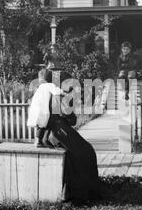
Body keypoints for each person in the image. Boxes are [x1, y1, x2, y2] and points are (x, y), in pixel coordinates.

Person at [41, 71, 100, 202]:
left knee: (82, 151)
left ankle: (79, 191)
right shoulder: (59, 97)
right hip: (59, 132)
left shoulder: (51, 95)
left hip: (55, 133)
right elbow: (72, 120)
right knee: (85, 152)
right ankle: (80, 193)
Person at [27, 68, 66, 148]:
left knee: (40, 125)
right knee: (45, 124)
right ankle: (42, 140)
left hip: (36, 108)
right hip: (43, 109)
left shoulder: (40, 87)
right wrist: (64, 92)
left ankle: (38, 141)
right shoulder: (50, 85)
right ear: (50, 78)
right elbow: (56, 91)